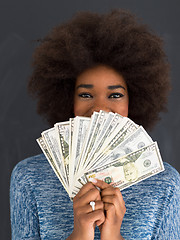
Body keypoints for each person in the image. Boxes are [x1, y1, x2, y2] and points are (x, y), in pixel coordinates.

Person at [10, 9, 180, 240]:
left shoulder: (165, 183)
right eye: (86, 95)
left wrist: (113, 235)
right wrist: (80, 233)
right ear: (67, 99)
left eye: (115, 95)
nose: (99, 109)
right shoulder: (28, 177)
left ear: (136, 101)